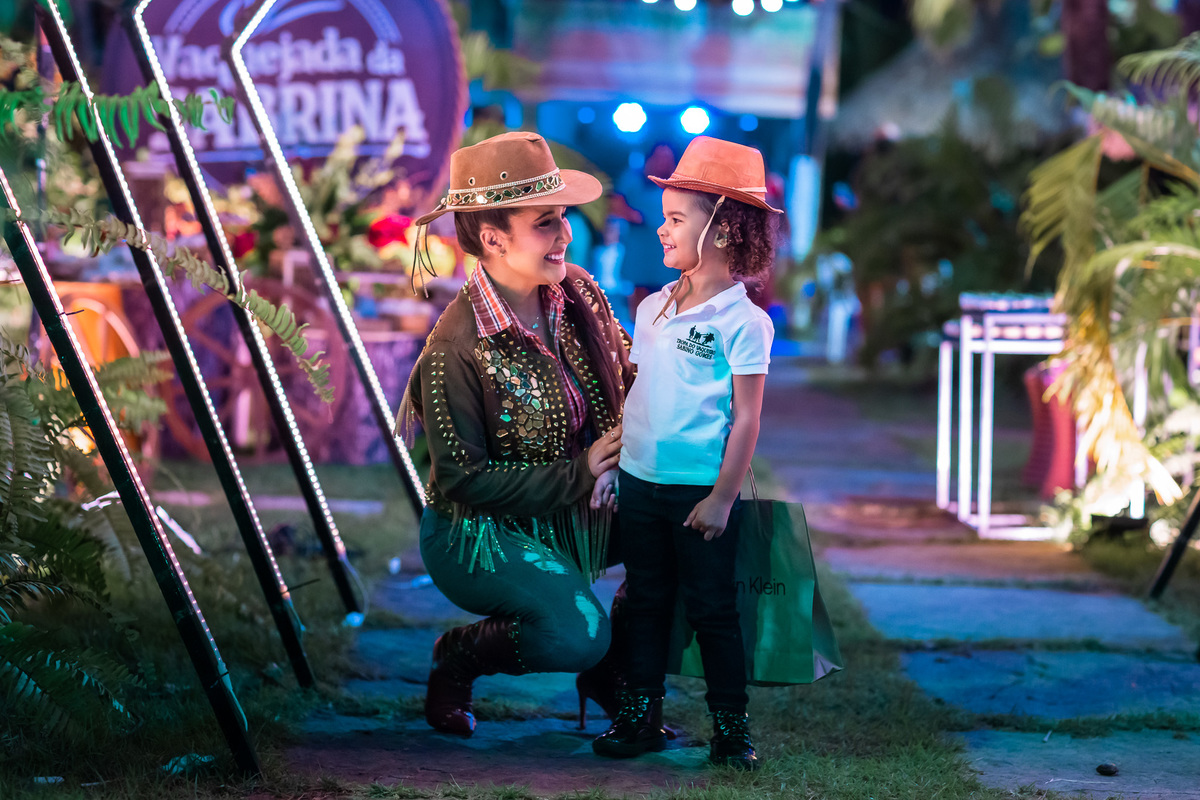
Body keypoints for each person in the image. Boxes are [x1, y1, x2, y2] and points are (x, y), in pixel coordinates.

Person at [400, 131, 634, 737]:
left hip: (576, 511)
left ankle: (615, 672)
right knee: (576, 631)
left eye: (564, 220)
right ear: (493, 237)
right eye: (546, 223)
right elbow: (461, 479)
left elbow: (630, 376)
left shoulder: (576, 293)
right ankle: (460, 657)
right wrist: (583, 472)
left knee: (696, 533)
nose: (566, 236)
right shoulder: (457, 348)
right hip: (476, 532)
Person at [591, 136, 780, 770]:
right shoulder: (651, 308)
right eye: (665, 217)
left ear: (722, 231)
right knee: (645, 601)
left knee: (713, 612)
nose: (662, 230)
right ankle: (641, 715)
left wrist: (723, 498)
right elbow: (641, 393)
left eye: (677, 220)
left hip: (699, 494)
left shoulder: (743, 322)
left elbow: (747, 416)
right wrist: (617, 466)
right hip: (641, 485)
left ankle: (731, 732)